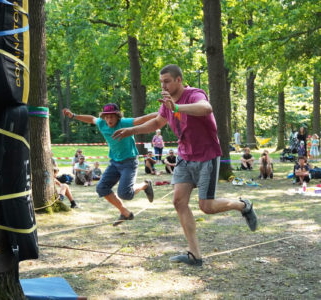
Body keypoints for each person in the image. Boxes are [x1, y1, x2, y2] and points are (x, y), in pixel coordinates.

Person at [112, 64, 257, 266]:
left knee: (206, 206)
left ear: (178, 80)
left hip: (207, 156)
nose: (163, 85)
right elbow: (156, 123)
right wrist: (131, 130)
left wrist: (177, 107)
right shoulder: (166, 102)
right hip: (184, 157)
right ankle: (195, 255)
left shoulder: (194, 94)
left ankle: (243, 205)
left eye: (167, 81)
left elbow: (207, 108)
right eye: (161, 81)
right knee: (179, 202)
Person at [62, 104, 157, 226]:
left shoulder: (124, 122)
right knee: (101, 188)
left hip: (129, 162)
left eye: (112, 117)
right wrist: (74, 115)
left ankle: (145, 184)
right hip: (114, 162)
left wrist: (163, 113)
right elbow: (91, 119)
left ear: (118, 116)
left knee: (125, 194)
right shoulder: (101, 123)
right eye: (106, 117)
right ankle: (124, 212)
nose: (109, 120)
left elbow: (142, 119)